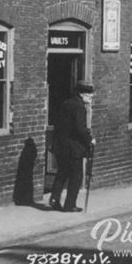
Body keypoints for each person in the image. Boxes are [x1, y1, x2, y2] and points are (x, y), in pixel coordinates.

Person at [50, 81, 95, 212]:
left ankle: (54, 198)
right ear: (82, 94)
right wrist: (90, 139)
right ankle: (70, 204)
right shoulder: (80, 107)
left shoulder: (66, 103)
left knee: (62, 173)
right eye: (89, 95)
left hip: (60, 145)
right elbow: (80, 128)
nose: (91, 97)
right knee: (76, 176)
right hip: (73, 148)